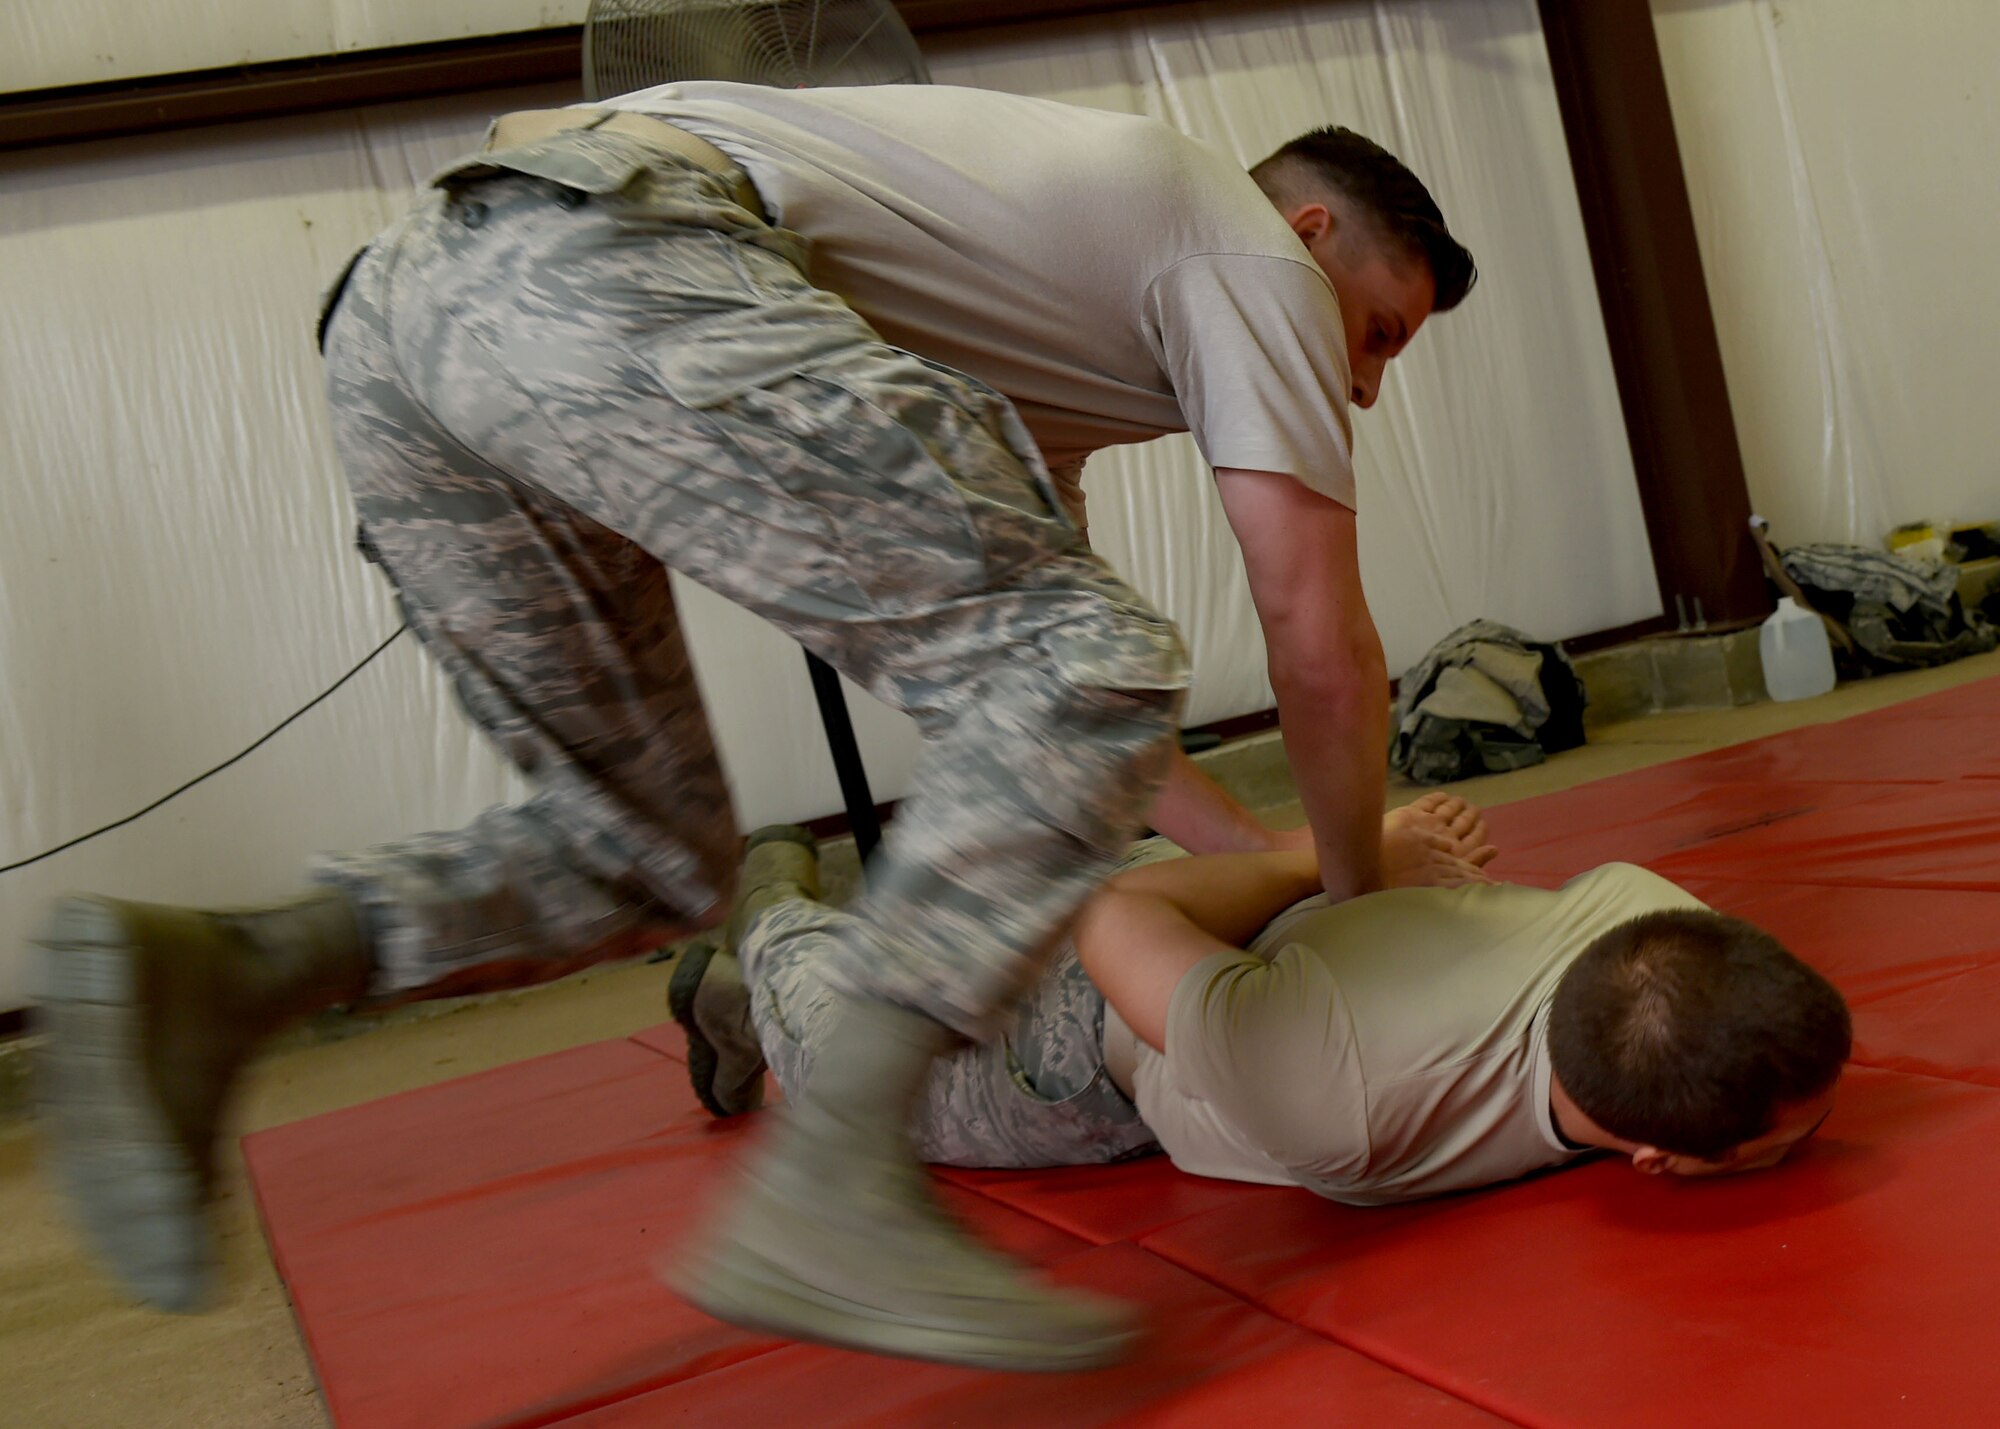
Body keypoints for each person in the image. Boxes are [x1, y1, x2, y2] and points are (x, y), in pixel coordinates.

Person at [35, 83, 1478, 1370]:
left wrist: (1270, 859)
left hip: (410, 314)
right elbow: (1318, 643)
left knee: (645, 856)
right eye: (1377, 334)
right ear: (1306, 233)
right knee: (1089, 660)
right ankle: (835, 1182)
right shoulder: (1247, 255)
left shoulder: (1057, 323)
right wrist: (1357, 912)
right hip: (603, 257)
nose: (1359, 381)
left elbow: (1041, 696)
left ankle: (225, 971)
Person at [691, 796, 1848, 1196]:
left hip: (1263, 963)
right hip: (1084, 1020)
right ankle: (771, 905)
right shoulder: (1343, 1098)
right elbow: (1113, 922)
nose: (1810, 1141)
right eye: (1783, 1144)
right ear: (1658, 1160)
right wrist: (1326, 854)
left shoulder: (1666, 926)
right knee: (830, 1042)